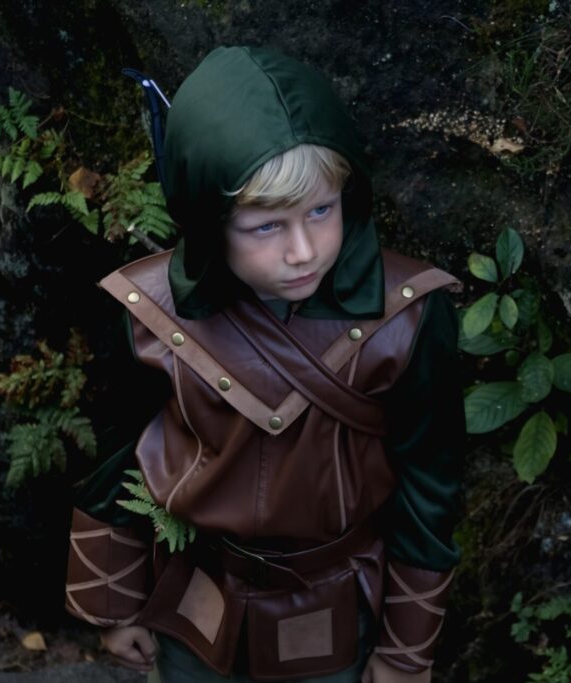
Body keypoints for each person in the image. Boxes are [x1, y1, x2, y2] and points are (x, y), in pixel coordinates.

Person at [64, 46, 465, 683]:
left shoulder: (408, 317)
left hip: (334, 608)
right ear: (208, 218)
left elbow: (429, 489)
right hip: (197, 598)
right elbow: (122, 450)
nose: (303, 250)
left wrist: (404, 652)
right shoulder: (149, 312)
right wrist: (116, 604)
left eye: (319, 211)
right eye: (266, 226)